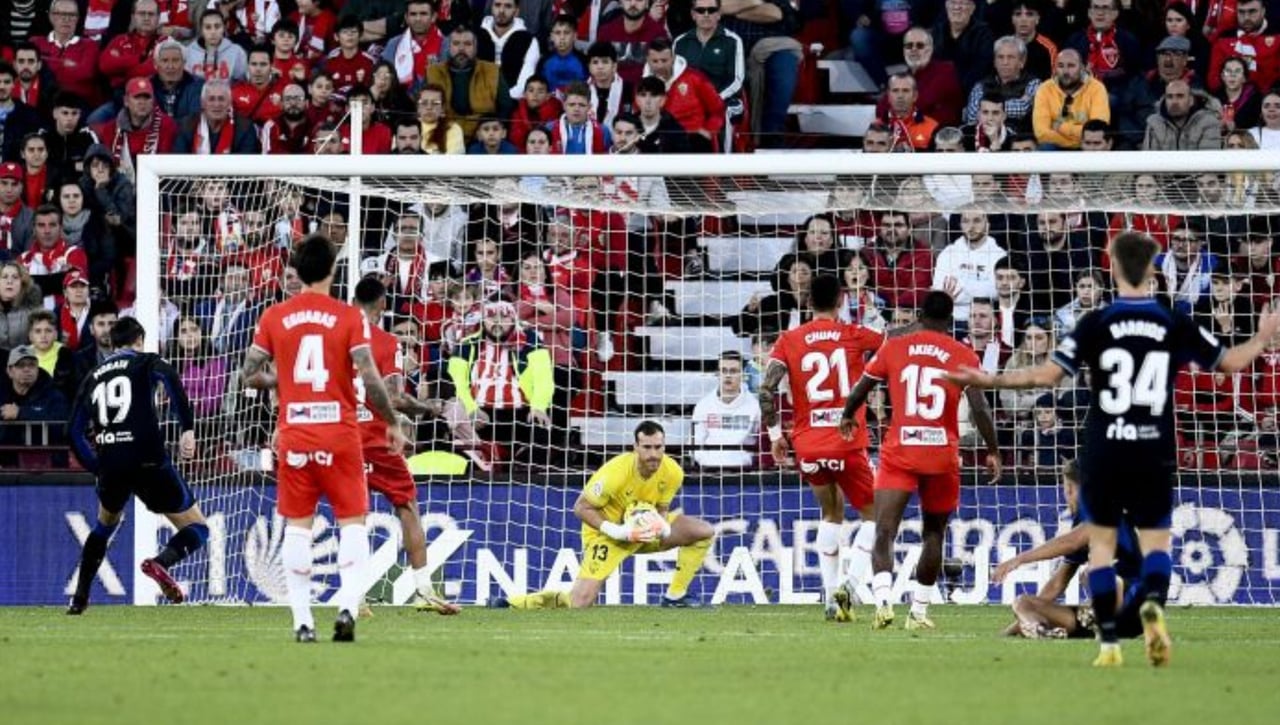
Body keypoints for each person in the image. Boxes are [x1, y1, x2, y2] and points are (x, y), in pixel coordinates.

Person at [948, 231, 1280, 667]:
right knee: (1156, 544)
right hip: (1154, 450)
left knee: (1100, 549)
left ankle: (1108, 643)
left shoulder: (1097, 322)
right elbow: (1232, 363)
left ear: (1115, 269)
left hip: (1107, 449)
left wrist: (989, 379)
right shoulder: (1173, 321)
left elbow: (1046, 376)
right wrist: (1262, 338)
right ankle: (1152, 608)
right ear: (1151, 270)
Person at [239, 234, 406, 643]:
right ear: (333, 270)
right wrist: (392, 421)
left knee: (298, 527)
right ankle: (347, 606)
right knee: (353, 522)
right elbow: (370, 377)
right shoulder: (349, 317)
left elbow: (249, 373)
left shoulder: (275, 316)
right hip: (340, 435)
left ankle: (302, 621)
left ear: (297, 271)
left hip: (295, 434)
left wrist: (282, 379)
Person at [839, 291, 1001, 630]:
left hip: (901, 450)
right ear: (950, 319)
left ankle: (883, 602)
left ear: (920, 316)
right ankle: (919, 611)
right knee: (934, 533)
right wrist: (993, 449)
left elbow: (861, 388)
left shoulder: (895, 347)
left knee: (884, 530)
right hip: (941, 454)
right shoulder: (963, 354)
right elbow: (980, 407)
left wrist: (848, 415)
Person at [759, 275, 884, 622]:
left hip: (808, 446)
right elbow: (892, 344)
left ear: (807, 302)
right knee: (877, 516)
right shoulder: (854, 333)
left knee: (831, 513)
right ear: (841, 300)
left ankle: (830, 597)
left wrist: (775, 435)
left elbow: (766, 390)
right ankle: (851, 586)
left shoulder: (789, 339)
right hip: (847, 441)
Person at [490, 420, 716, 608]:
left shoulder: (673, 472)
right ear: (635, 447)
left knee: (703, 531)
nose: (653, 454)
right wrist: (617, 531)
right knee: (579, 602)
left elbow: (662, 508)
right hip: (608, 535)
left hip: (644, 532)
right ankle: (515, 603)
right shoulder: (615, 472)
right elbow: (581, 507)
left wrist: (662, 526)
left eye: (658, 447)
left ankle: (675, 596)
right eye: (647, 447)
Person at [65, 318, 206, 614]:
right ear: (139, 339)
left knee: (104, 525)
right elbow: (171, 379)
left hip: (111, 463)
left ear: (113, 343)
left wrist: (97, 467)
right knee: (198, 527)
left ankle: (79, 598)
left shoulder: (93, 376)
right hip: (148, 458)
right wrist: (187, 429)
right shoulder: (145, 361)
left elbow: (73, 433)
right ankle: (161, 563)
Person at [351, 277, 459, 615]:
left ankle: (355, 596)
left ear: (353, 301)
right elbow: (395, 397)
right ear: (383, 304)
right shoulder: (386, 343)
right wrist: (429, 408)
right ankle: (423, 591)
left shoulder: (332, 339)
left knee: (353, 517)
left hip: (341, 438)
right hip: (377, 439)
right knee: (408, 507)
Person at [994, 459, 1145, 640]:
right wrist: (1024, 618)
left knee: (1092, 572)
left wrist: (1018, 559)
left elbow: (1072, 542)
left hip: (1134, 603)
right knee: (1022, 602)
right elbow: (1057, 584)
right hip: (1105, 615)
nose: (1066, 494)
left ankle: (1100, 614)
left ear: (1071, 488)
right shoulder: (1085, 519)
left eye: (1065, 487)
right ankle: (1040, 630)